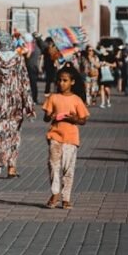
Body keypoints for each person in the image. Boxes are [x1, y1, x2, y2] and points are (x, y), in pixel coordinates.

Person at [0, 30, 36, 180]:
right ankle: (11, 168)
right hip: (14, 103)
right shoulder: (19, 59)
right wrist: (29, 105)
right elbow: (25, 83)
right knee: (12, 134)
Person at [43, 63, 90, 210]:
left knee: (68, 169)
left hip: (71, 138)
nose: (61, 83)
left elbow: (83, 120)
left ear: (72, 82)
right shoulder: (53, 97)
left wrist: (73, 119)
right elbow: (46, 117)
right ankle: (55, 193)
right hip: (55, 136)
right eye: (60, 80)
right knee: (53, 165)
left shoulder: (76, 99)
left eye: (65, 80)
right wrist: (50, 115)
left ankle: (66, 198)